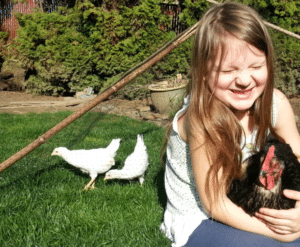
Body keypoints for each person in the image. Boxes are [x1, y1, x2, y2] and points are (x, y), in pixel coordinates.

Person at [160, 2, 300, 247]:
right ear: (203, 71)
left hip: (246, 202)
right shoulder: (201, 119)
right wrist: (279, 233)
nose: (244, 80)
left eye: (256, 66)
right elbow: (214, 204)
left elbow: (298, 154)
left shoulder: (275, 103)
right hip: (202, 217)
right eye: (228, 70)